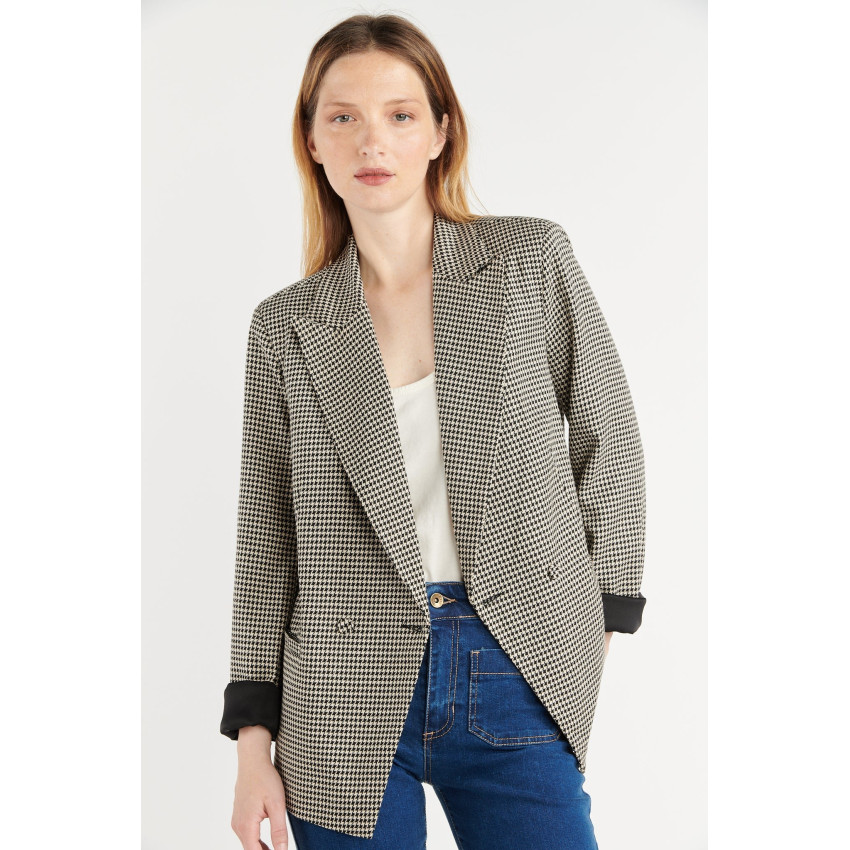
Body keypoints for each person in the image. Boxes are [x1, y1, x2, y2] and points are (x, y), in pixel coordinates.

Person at [220, 12, 646, 850]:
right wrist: (251, 747)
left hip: (517, 657)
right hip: (339, 691)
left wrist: (595, 622)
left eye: (400, 114)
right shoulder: (286, 326)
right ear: (312, 139)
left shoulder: (528, 261)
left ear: (440, 131)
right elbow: (266, 539)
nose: (371, 140)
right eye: (343, 116)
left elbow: (610, 436)